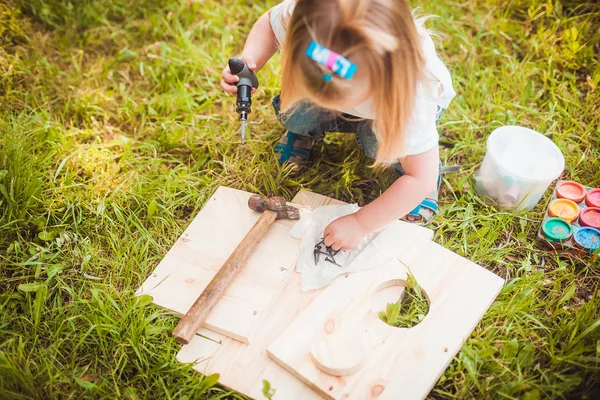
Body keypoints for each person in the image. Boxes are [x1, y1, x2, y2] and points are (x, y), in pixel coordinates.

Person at [220, 0, 456, 251]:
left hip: (390, 112)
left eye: (334, 94)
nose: (326, 102)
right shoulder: (312, 20)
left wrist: (360, 223)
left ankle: (410, 165)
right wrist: (250, 59)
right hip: (369, 96)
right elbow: (270, 22)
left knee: (383, 145)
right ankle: (301, 130)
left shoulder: (411, 97)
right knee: (297, 112)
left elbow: (420, 177)